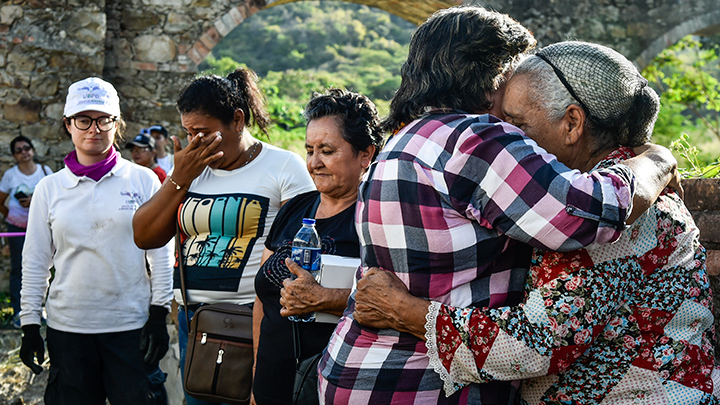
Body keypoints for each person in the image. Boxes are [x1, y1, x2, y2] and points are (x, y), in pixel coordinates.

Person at [318, 7, 680, 405]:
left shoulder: (407, 142)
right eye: (514, 76)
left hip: (361, 367)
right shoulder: (478, 139)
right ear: (492, 78)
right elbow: (587, 210)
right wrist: (656, 160)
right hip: (424, 381)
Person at [132, 67, 316, 405]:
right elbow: (144, 235)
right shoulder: (190, 171)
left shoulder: (283, 168)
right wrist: (180, 179)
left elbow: (300, 248)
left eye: (203, 132)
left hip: (253, 322)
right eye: (188, 133)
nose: (194, 143)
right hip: (195, 320)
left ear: (237, 119)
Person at [18, 77, 174, 404]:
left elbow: (160, 252)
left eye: (104, 119)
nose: (94, 129)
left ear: (117, 124)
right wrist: (30, 322)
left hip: (131, 328)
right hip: (69, 330)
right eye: (83, 120)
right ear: (68, 125)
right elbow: (35, 261)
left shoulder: (143, 180)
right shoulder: (50, 188)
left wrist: (159, 313)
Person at [252, 88, 383, 405]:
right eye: (310, 150)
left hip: (337, 386)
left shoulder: (376, 218)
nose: (314, 162)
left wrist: (326, 299)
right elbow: (263, 299)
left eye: (327, 150)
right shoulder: (295, 208)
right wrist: (256, 375)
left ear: (365, 153)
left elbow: (389, 303)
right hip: (271, 383)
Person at [0, 136, 53, 328]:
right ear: (14, 155)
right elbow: (1, 200)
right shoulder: (11, 175)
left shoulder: (45, 172)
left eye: (26, 148)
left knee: (45, 266)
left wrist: (34, 203)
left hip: (41, 227)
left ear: (32, 150)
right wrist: (12, 217)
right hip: (17, 228)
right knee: (18, 268)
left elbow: (54, 200)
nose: (24, 152)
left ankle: (42, 309)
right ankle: (18, 312)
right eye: (19, 150)